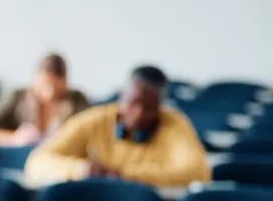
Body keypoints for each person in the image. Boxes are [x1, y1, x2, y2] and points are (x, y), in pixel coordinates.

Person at [25, 65, 210, 187]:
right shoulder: (95, 120)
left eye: (149, 107)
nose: (139, 113)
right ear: (122, 96)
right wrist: (82, 170)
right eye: (133, 102)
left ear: (161, 106)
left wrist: (123, 174)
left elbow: (198, 173)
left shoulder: (175, 124)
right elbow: (37, 162)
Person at [0, 53, 89, 146]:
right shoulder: (17, 97)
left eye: (57, 88)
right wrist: (13, 137)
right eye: (44, 86)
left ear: (66, 82)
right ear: (35, 78)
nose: (50, 94)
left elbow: (90, 132)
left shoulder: (77, 100)